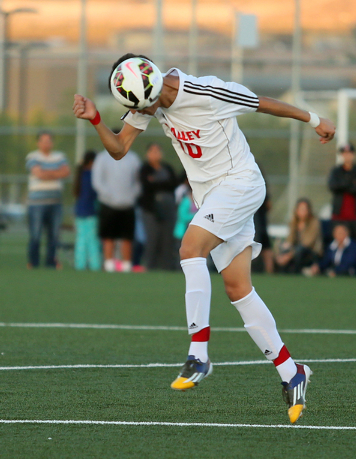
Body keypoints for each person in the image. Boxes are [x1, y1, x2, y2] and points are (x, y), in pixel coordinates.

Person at [73, 53, 336, 424]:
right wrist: (96, 119)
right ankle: (291, 372)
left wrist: (315, 120)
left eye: (149, 105)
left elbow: (263, 104)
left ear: (156, 79)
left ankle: (199, 352)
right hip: (214, 198)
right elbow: (118, 149)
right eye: (142, 108)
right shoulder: (147, 98)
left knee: (189, 248)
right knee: (238, 288)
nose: (147, 112)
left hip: (241, 183)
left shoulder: (207, 91)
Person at [92, 144, 141, 272]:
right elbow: (97, 181)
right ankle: (109, 264)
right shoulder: (102, 158)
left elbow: (137, 181)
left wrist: (131, 196)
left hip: (128, 204)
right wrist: (110, 196)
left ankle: (126, 265)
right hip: (108, 204)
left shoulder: (133, 158)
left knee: (127, 236)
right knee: (108, 235)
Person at [26, 131, 70, 268]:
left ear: (52, 142)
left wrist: (46, 172)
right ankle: (33, 262)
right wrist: (55, 173)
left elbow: (65, 172)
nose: (46, 143)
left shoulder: (60, 156)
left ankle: (51, 262)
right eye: (43, 140)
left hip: (55, 203)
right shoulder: (32, 156)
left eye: (48, 140)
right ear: (38, 142)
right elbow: (38, 173)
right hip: (36, 204)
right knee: (36, 235)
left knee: (54, 235)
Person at [139, 143, 177, 270]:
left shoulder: (167, 168)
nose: (155, 154)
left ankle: (167, 267)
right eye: (152, 151)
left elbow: (173, 184)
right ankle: (150, 266)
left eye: (157, 151)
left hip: (168, 210)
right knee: (152, 239)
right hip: (150, 210)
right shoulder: (145, 169)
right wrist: (160, 183)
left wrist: (155, 181)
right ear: (147, 154)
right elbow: (147, 186)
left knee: (167, 239)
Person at [275, 198, 323, 273]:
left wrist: (289, 255)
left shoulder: (314, 223)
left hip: (310, 253)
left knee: (300, 250)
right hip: (295, 251)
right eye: (300, 209)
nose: (303, 212)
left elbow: (307, 244)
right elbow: (290, 240)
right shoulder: (294, 223)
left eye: (304, 209)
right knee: (284, 247)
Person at [73, 150, 101, 271]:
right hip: (90, 211)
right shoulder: (91, 175)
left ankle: (80, 264)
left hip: (79, 211)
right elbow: (94, 193)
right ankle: (95, 265)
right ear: (92, 162)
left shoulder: (80, 175)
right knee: (93, 240)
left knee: (81, 240)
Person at [328, 143, 356, 240]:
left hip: (353, 216)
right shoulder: (336, 171)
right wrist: (350, 184)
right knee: (338, 242)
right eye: (344, 153)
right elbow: (332, 186)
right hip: (339, 216)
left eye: (349, 153)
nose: (347, 156)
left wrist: (342, 184)